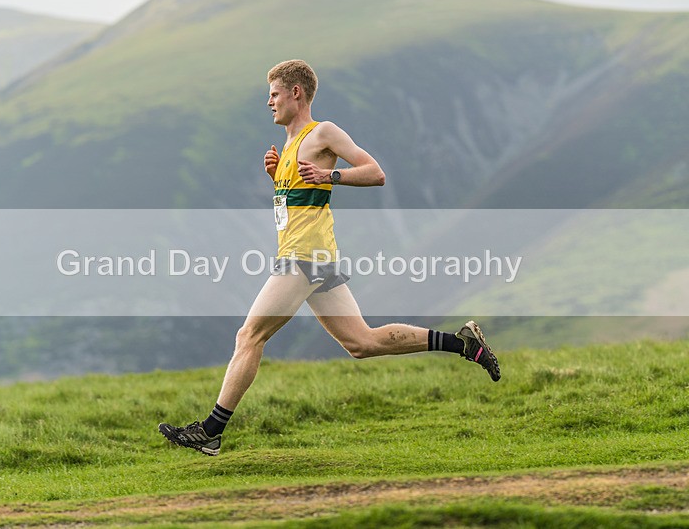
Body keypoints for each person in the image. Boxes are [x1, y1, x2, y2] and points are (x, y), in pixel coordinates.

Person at [159, 60, 500, 456]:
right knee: (362, 343)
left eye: (274, 94)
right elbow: (301, 199)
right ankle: (463, 344)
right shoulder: (288, 146)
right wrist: (278, 178)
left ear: (295, 93)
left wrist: (332, 177)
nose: (268, 102)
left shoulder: (323, 132)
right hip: (312, 257)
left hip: (305, 257)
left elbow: (375, 173)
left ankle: (211, 431)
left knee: (249, 336)